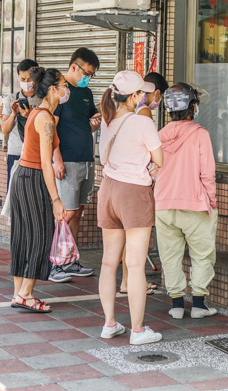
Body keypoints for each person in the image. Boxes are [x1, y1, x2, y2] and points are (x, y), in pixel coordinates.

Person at [97, 71, 164, 345]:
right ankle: (137, 331)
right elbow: (159, 157)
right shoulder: (141, 121)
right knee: (135, 265)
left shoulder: (107, 119)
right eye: (142, 93)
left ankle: (109, 324)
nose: (144, 96)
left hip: (107, 190)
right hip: (134, 192)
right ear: (135, 96)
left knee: (108, 262)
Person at [153, 83, 218, 319]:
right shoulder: (200, 134)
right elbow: (207, 173)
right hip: (195, 204)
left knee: (170, 256)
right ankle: (199, 304)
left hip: (164, 204)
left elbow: (152, 168)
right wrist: (211, 200)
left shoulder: (159, 135)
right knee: (202, 255)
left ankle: (177, 304)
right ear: (192, 107)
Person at [9, 68, 68, 313]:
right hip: (33, 178)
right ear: (53, 89)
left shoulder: (37, 113)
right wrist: (56, 199)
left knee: (23, 235)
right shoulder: (45, 118)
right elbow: (46, 163)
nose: (67, 89)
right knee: (41, 234)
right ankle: (26, 294)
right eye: (64, 84)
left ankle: (19, 293)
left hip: (22, 177)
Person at [51, 47, 102, 281]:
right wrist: (57, 159)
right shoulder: (61, 92)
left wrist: (97, 121)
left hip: (86, 159)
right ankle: (53, 263)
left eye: (91, 74)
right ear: (75, 67)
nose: (88, 77)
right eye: (87, 73)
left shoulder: (86, 94)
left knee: (78, 212)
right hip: (68, 161)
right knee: (66, 213)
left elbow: (88, 122)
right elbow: (50, 127)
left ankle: (70, 260)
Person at [120, 71, 169, 296]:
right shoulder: (145, 112)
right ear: (155, 92)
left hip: (119, 181)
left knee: (124, 237)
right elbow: (154, 153)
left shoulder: (125, 112)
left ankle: (125, 282)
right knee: (137, 239)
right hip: (138, 182)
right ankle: (132, 283)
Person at [1, 59, 41, 193]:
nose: (26, 83)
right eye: (23, 79)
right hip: (16, 153)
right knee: (14, 194)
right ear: (18, 78)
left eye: (30, 79)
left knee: (34, 193)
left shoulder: (44, 100)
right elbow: (5, 129)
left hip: (37, 154)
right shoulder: (11, 99)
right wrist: (13, 114)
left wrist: (30, 116)